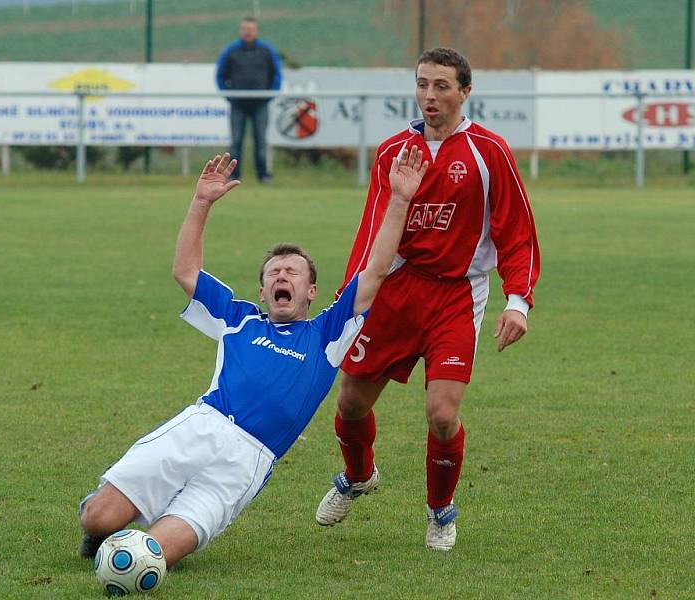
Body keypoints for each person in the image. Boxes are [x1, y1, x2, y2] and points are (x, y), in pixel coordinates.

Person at [78, 149, 429, 567]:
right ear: (262, 293)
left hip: (246, 462)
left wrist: (401, 199)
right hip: (198, 430)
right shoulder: (239, 319)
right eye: (273, 273)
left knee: (152, 556)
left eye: (293, 272)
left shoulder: (327, 335)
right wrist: (201, 202)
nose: (282, 276)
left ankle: (139, 535)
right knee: (98, 519)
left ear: (312, 292)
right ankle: (102, 518)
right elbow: (185, 271)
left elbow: (374, 271)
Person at [314, 47, 541, 552]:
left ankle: (440, 512)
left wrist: (517, 301)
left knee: (442, 414)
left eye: (441, 86)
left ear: (465, 91)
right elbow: (373, 230)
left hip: (456, 296)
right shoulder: (394, 151)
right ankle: (358, 475)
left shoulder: (490, 152)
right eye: (422, 84)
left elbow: (517, 232)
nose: (429, 96)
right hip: (394, 292)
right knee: (350, 404)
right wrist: (349, 299)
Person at [215, 16, 282, 183]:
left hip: (261, 104)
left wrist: (269, 96)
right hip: (238, 105)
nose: (248, 32)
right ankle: (233, 175)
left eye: (251, 29)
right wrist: (229, 96)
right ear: (240, 30)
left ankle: (263, 175)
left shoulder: (267, 50)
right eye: (245, 29)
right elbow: (219, 75)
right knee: (235, 142)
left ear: (256, 31)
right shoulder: (231, 50)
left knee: (260, 142)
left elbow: (277, 75)